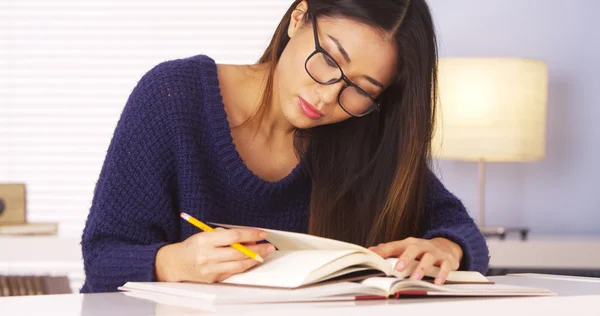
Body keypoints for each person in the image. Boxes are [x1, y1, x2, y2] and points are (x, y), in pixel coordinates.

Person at [80, 0, 489, 293]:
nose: (328, 97)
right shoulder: (174, 97)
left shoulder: (364, 136)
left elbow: (459, 231)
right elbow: (102, 258)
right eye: (328, 59)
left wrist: (443, 248)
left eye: (360, 90)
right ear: (298, 17)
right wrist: (170, 263)